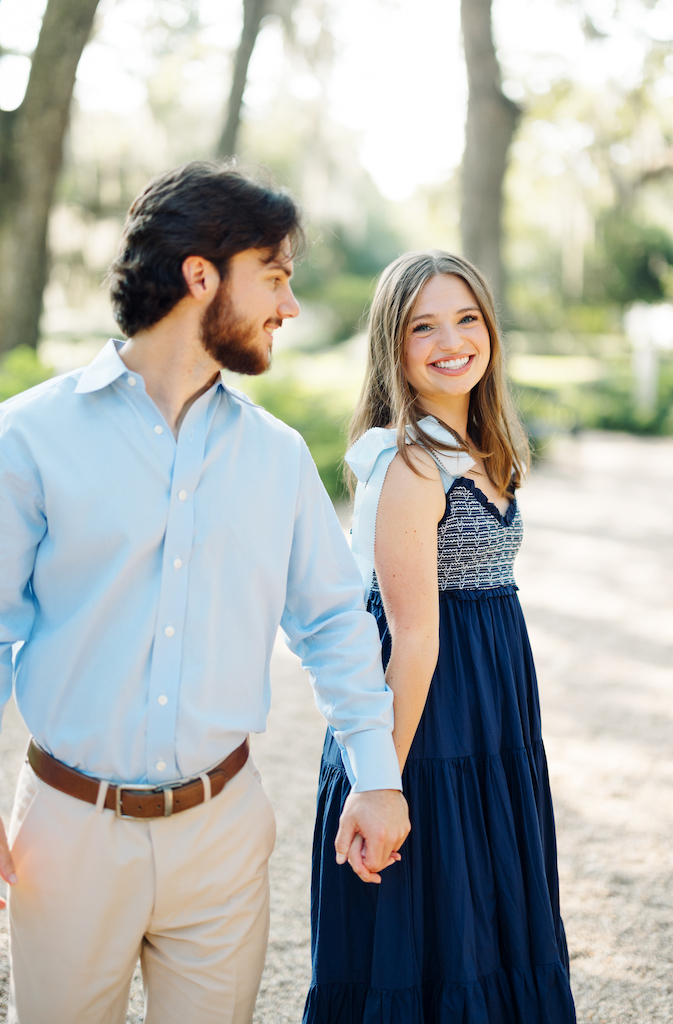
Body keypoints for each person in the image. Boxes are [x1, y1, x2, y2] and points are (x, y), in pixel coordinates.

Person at [0, 161, 409, 1024]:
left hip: (223, 829)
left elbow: (334, 622)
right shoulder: (29, 436)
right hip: (69, 835)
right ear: (200, 275)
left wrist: (377, 779)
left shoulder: (276, 456)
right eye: (275, 276)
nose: (288, 306)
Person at [305, 251, 577, 1023]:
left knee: (483, 914)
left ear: (489, 329)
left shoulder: (484, 449)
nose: (449, 340)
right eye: (422, 326)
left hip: (489, 715)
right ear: (392, 346)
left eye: (465, 319)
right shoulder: (410, 464)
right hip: (427, 720)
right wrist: (377, 779)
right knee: (427, 925)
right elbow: (414, 638)